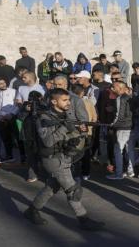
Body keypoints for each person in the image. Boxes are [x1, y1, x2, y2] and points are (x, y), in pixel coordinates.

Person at [23, 88, 104, 230]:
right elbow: (48, 141)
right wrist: (65, 128)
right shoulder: (44, 118)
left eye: (69, 100)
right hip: (53, 159)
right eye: (64, 100)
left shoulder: (65, 115)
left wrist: (79, 133)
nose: (68, 102)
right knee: (73, 189)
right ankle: (83, 220)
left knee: (52, 187)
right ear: (54, 101)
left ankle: (32, 210)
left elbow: (69, 134)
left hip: (64, 156)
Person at [107, 81, 134, 180]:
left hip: (122, 128)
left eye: (114, 87)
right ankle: (131, 171)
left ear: (120, 88)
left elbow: (119, 115)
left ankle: (118, 174)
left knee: (118, 150)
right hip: (130, 127)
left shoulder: (120, 98)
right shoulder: (130, 97)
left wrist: (113, 125)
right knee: (130, 150)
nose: (112, 89)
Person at [0, 77, 19, 163]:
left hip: (13, 117)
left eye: (4, 82)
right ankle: (9, 156)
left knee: (18, 138)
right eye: (1, 83)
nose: (3, 84)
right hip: (1, 119)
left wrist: (11, 114)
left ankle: (23, 157)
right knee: (6, 138)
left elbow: (17, 104)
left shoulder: (13, 91)